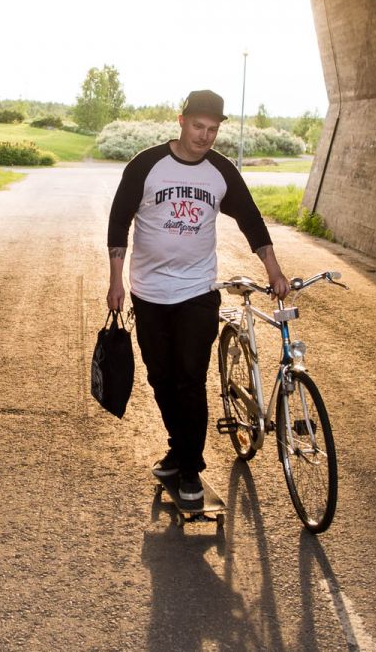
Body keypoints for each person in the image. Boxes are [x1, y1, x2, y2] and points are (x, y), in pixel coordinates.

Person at [106, 89, 288, 501]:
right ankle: (177, 447)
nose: (204, 137)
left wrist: (273, 269)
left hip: (197, 290)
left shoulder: (220, 171)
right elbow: (119, 223)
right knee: (160, 377)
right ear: (181, 120)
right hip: (148, 292)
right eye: (197, 126)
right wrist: (115, 281)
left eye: (212, 129)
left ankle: (190, 467)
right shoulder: (146, 165)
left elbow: (251, 220)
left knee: (190, 377)